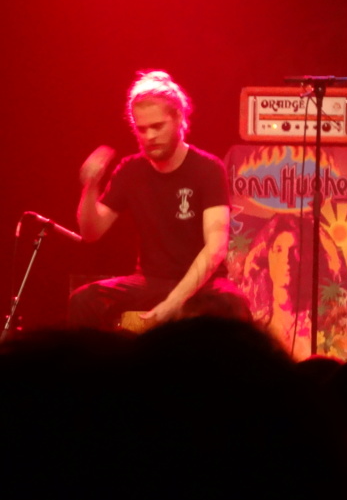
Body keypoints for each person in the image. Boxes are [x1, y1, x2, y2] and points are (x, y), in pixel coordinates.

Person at [69, 70, 245, 328]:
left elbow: (216, 248)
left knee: (233, 303)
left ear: (178, 120)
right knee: (84, 300)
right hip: (151, 280)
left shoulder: (208, 169)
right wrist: (91, 187)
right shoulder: (130, 170)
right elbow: (91, 232)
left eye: (157, 126)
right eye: (142, 129)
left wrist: (174, 303)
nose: (149, 136)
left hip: (204, 283)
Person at [241, 212, 343, 358]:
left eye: (294, 250)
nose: (286, 259)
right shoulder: (258, 333)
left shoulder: (324, 329)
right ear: (268, 256)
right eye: (279, 250)